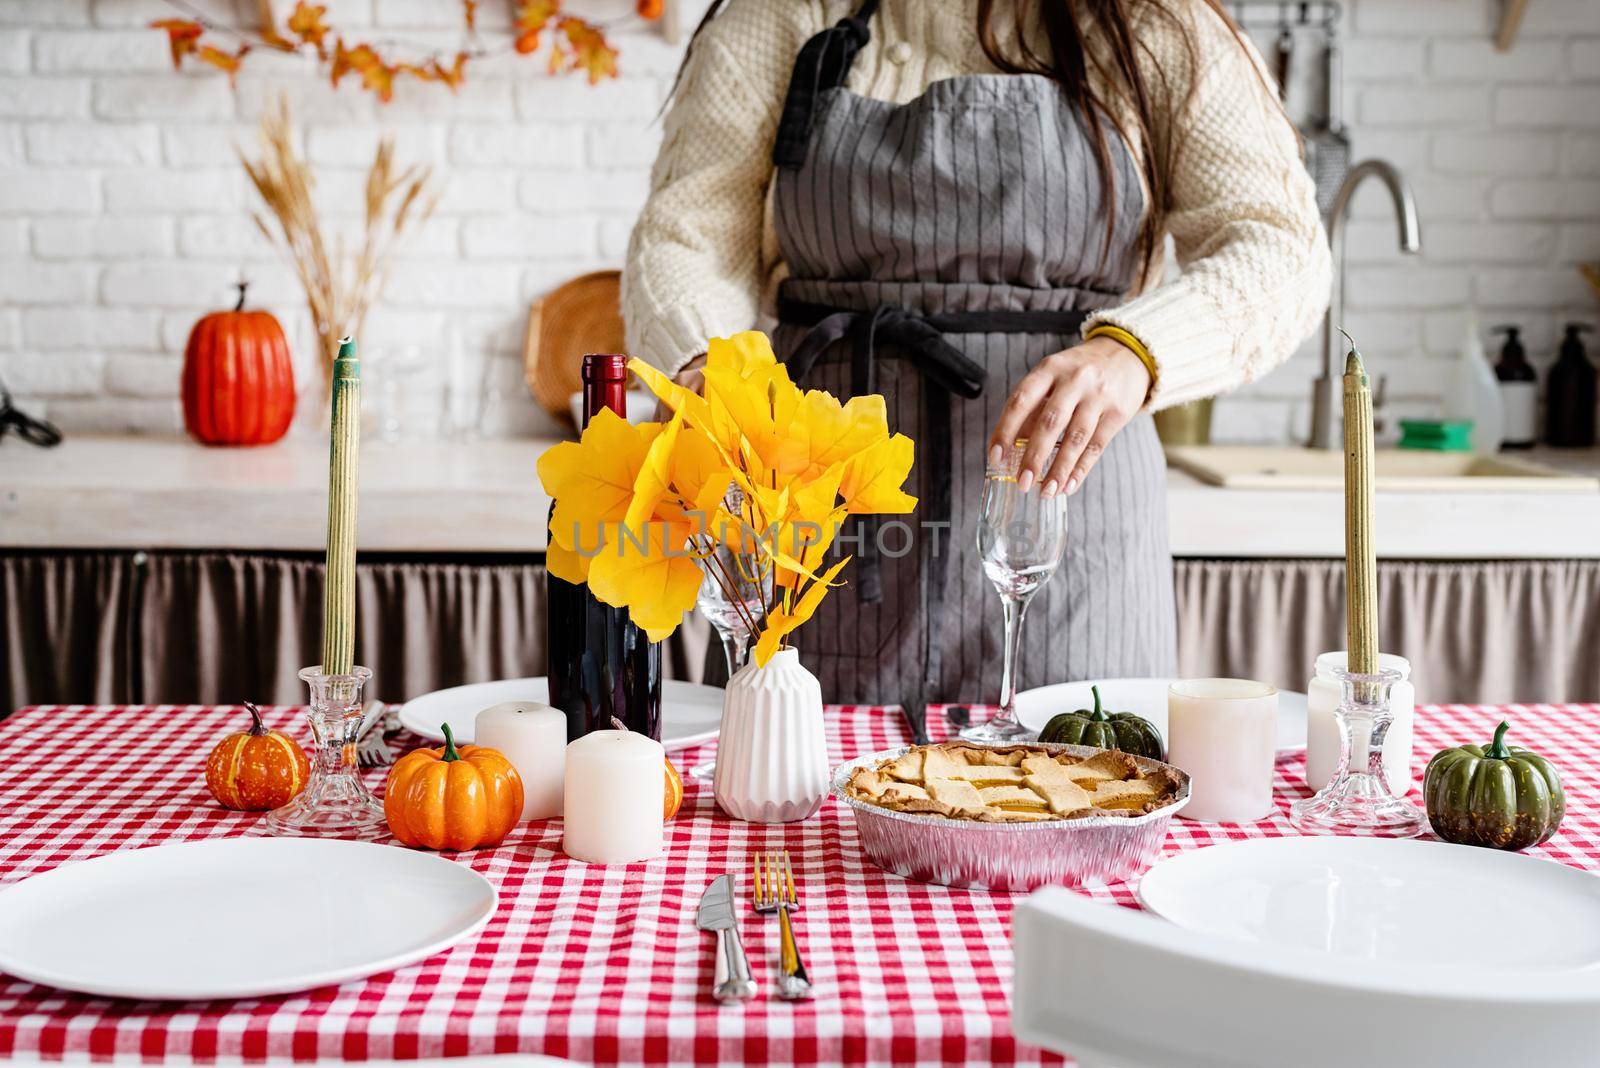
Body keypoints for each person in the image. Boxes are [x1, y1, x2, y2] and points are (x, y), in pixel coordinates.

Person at [621, 0, 1331, 715]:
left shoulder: (1158, 25)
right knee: (797, 796)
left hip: (1068, 516)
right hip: (820, 512)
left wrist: (1135, 353)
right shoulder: (785, 12)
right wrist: (705, 367)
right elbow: (688, 235)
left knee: (1079, 785)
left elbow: (1279, 245)